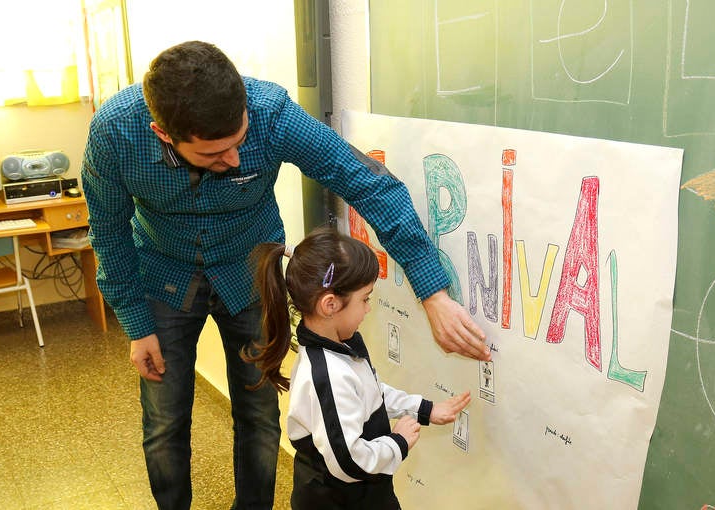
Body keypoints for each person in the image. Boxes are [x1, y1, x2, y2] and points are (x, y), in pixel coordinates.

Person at [80, 40, 488, 509]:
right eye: (214, 155)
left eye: (238, 143)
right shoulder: (114, 134)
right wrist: (136, 325)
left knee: (258, 414)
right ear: (164, 134)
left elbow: (368, 183)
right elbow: (108, 235)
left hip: (250, 278)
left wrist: (432, 292)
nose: (233, 160)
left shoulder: (271, 113)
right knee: (165, 421)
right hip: (163, 280)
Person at [244, 227, 471, 509]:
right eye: (365, 299)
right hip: (339, 498)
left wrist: (426, 410)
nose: (368, 309)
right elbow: (349, 462)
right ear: (330, 305)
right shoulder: (328, 375)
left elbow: (369, 394)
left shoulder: (342, 345)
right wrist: (398, 443)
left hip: (366, 490)